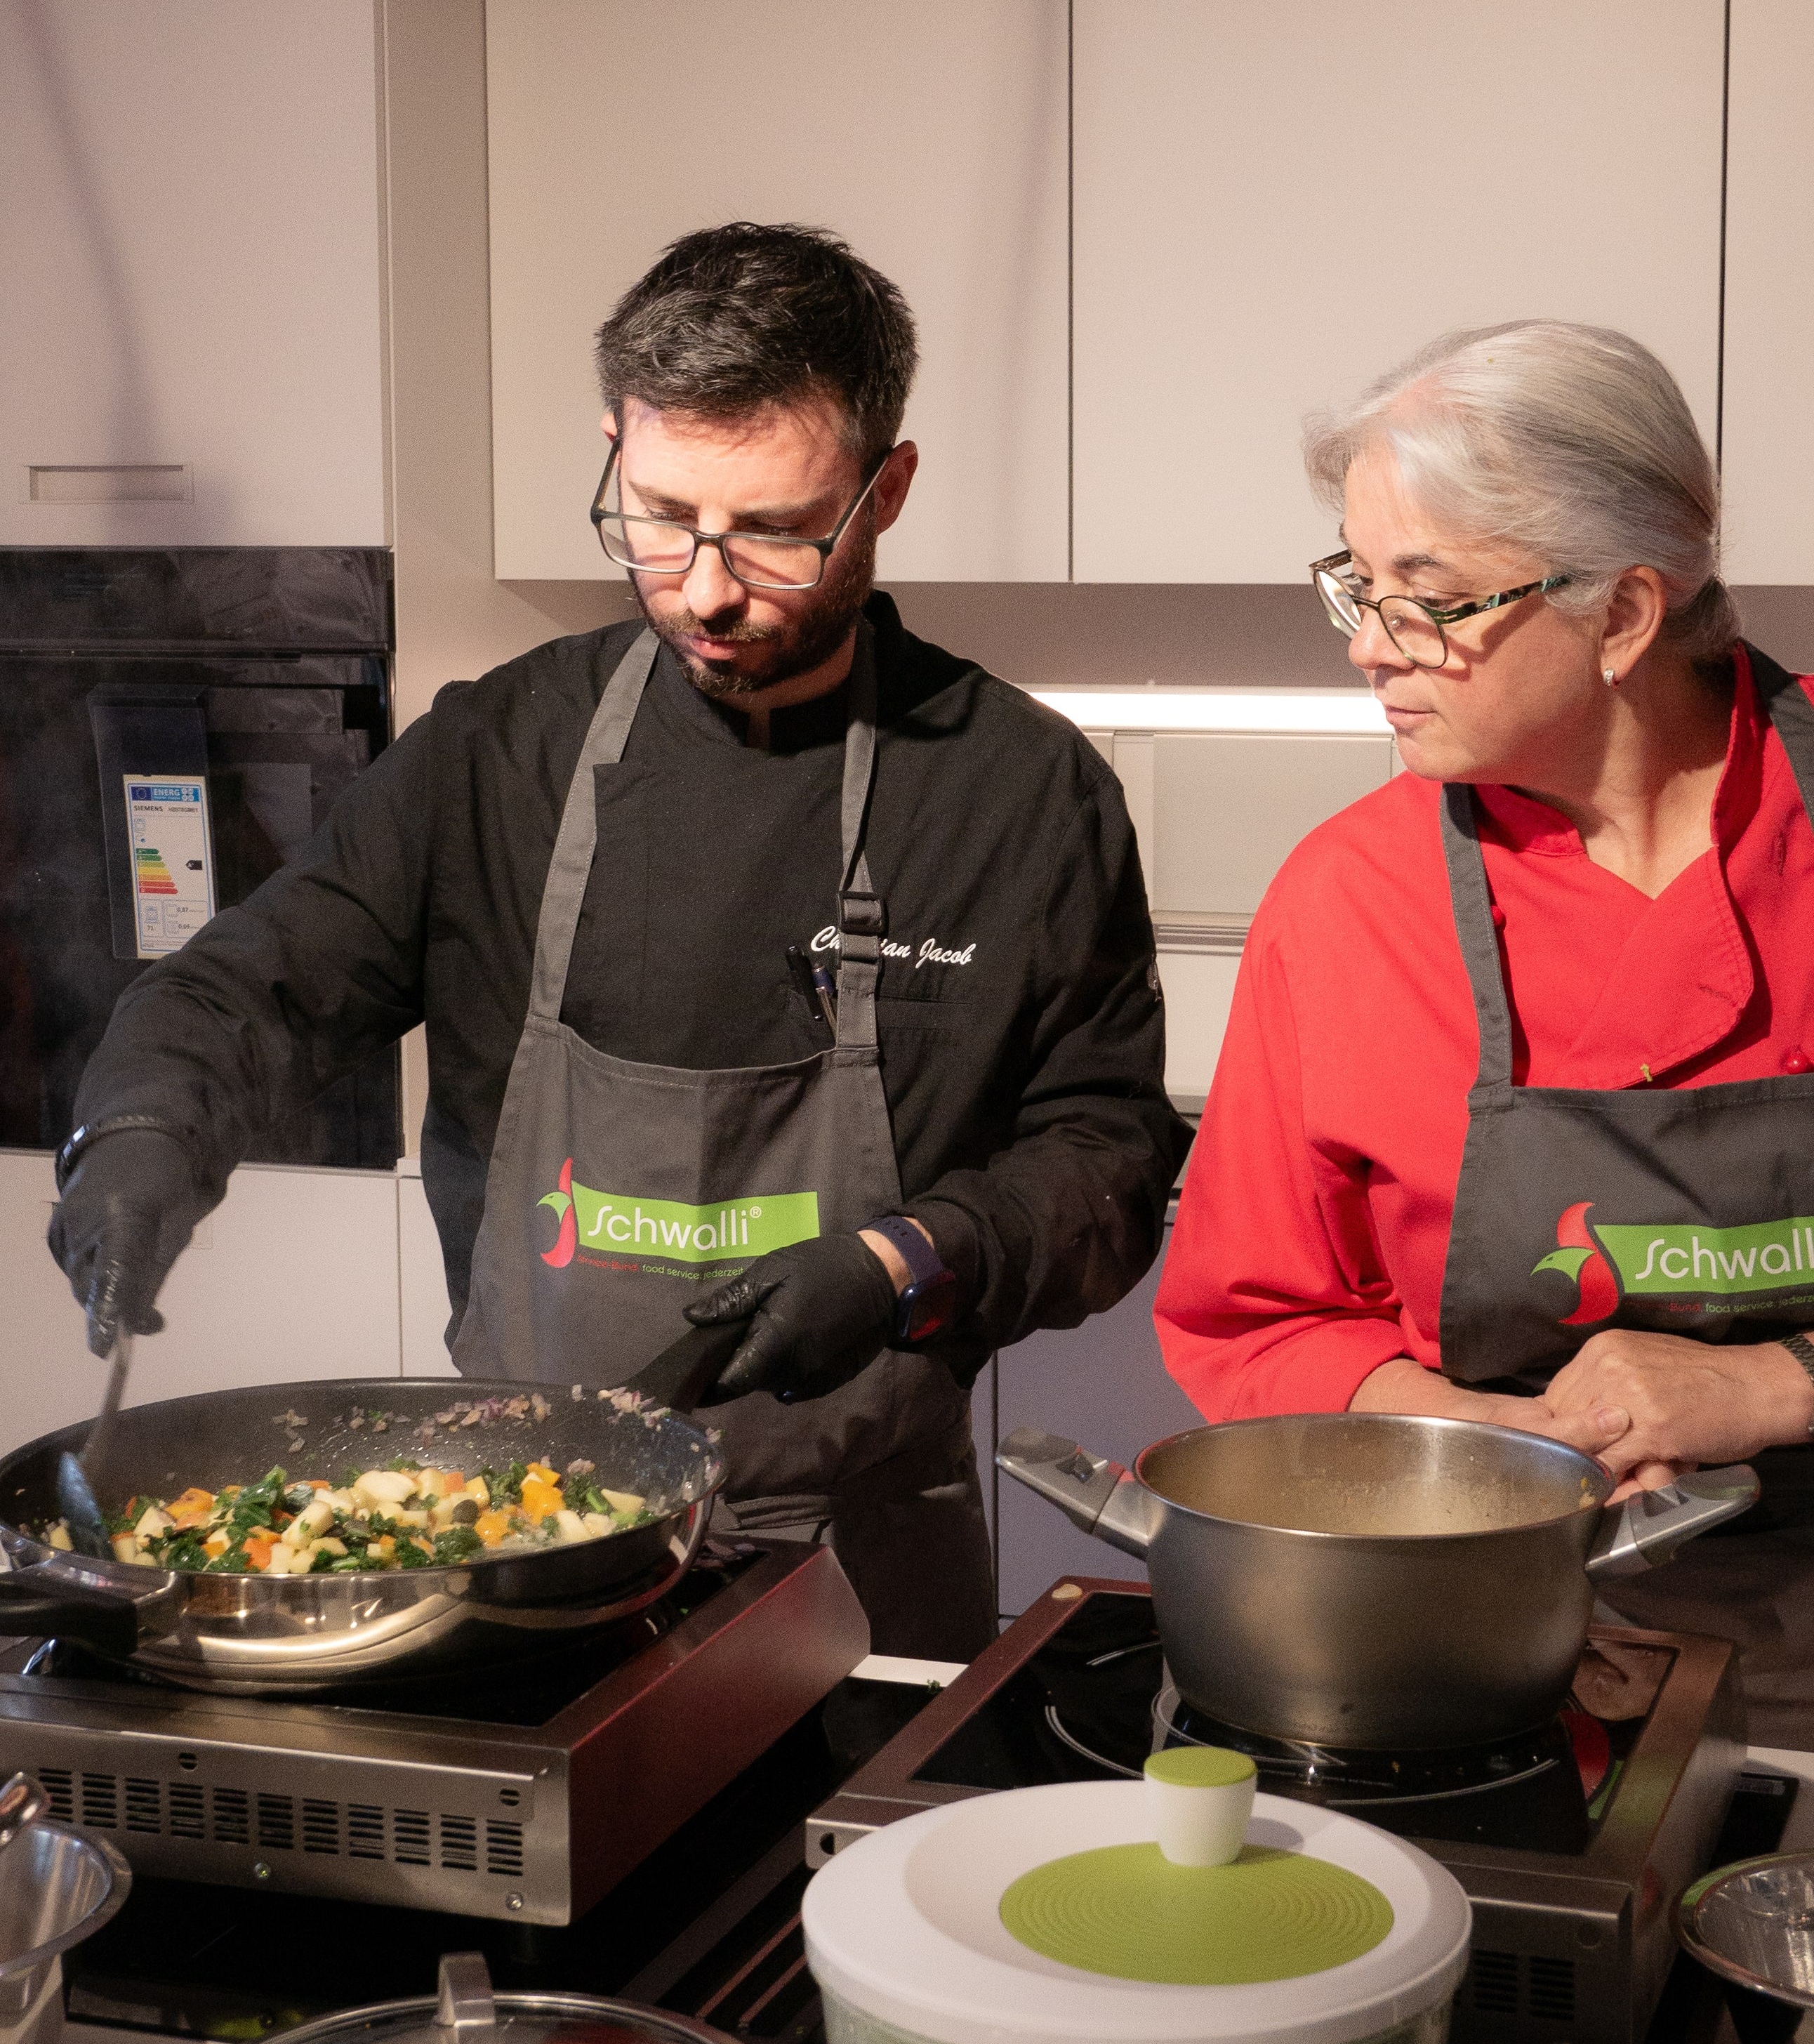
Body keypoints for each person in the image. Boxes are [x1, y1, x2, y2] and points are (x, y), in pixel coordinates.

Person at [49, 222, 1187, 1663]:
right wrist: (143, 1121)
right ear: (613, 447)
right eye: (657, 514)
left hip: (860, 1563)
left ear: (885, 490)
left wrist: (909, 1257)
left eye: (774, 528)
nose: (706, 587)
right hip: (513, 1547)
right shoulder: (494, 753)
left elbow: (1106, 1156)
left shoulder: (1018, 790)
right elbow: (247, 982)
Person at [1156, 319, 1814, 1743]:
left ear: (1623, 613)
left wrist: (1767, 1383)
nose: (1361, 646)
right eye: (1353, 582)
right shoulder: (1345, 906)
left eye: (1425, 599)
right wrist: (1486, 1440)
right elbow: (1253, 1316)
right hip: (1494, 1641)